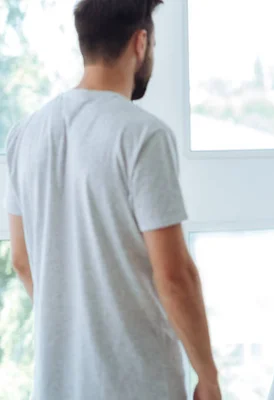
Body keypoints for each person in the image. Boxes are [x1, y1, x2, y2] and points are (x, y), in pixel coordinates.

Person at [5, 1, 221, 399]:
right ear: (140, 43)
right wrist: (207, 376)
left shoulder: (24, 134)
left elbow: (21, 260)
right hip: (136, 381)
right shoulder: (141, 135)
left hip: (56, 383)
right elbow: (174, 276)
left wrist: (71, 329)